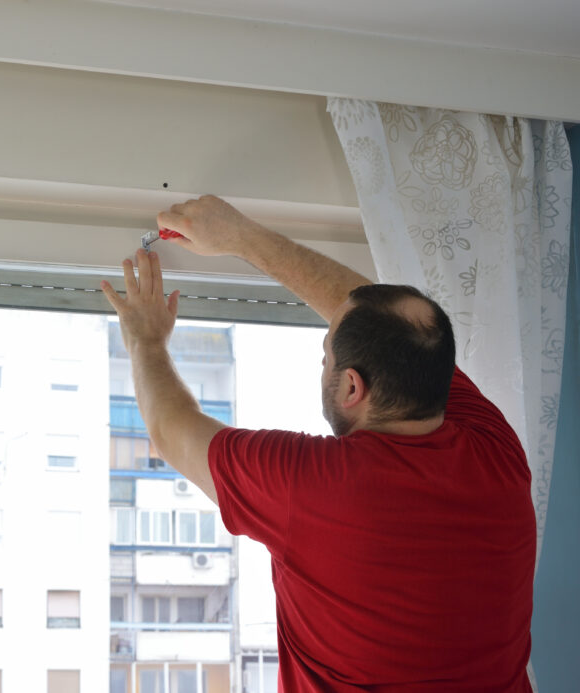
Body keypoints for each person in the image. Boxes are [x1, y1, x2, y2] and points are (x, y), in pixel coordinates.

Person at [101, 195, 536, 692]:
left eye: (325, 354)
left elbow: (172, 429)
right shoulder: (497, 452)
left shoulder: (310, 486)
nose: (322, 363)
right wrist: (243, 237)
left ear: (352, 387)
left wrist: (146, 340)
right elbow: (382, 317)